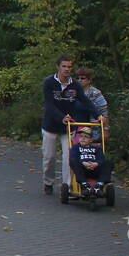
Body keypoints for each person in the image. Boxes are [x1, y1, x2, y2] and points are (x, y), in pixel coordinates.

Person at [41, 55, 97, 196]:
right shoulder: (49, 82)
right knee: (49, 157)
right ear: (58, 67)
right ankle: (48, 182)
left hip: (69, 127)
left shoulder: (75, 85)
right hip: (51, 125)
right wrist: (61, 117)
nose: (67, 69)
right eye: (64, 66)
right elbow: (49, 104)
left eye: (69, 67)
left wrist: (98, 116)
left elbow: (85, 101)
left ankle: (67, 186)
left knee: (69, 157)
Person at [75, 67, 110, 138]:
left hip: (93, 129)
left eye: (82, 78)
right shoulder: (73, 93)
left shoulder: (96, 93)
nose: (79, 80)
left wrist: (105, 129)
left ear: (89, 80)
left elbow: (104, 112)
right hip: (77, 128)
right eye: (78, 78)